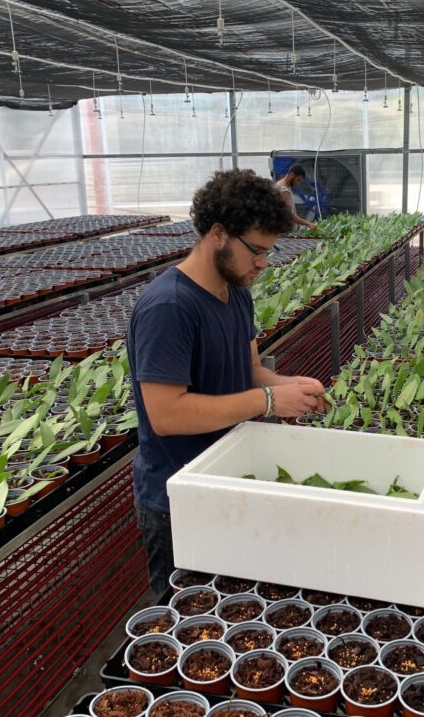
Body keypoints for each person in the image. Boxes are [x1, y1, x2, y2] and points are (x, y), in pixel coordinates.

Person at [127, 169, 330, 596]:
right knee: (186, 617)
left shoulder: (236, 290)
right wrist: (269, 401)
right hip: (179, 497)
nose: (263, 263)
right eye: (256, 250)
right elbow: (167, 414)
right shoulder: (169, 307)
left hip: (231, 475)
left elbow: (249, 371)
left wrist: (289, 386)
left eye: (268, 252)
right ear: (218, 233)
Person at [275, 164, 318, 231]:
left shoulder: (278, 183)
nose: (298, 183)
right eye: (298, 180)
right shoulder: (284, 191)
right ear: (292, 175)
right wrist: (308, 224)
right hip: (284, 231)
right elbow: (290, 216)